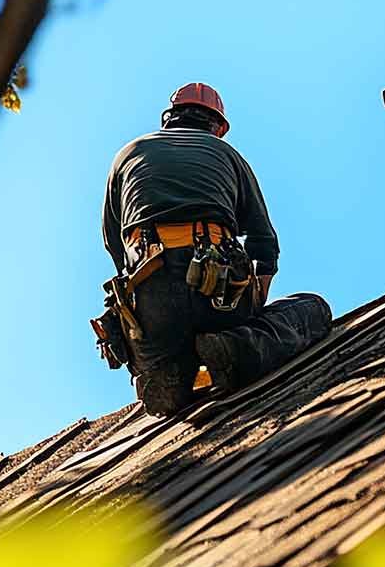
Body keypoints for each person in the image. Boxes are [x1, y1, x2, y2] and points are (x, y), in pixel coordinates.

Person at [101, 83, 333, 416]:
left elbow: (114, 246)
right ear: (217, 127)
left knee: (161, 370)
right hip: (218, 291)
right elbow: (264, 244)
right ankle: (234, 347)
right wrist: (254, 311)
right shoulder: (226, 155)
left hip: (151, 297)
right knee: (313, 309)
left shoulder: (129, 153)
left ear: (170, 118)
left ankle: (167, 375)